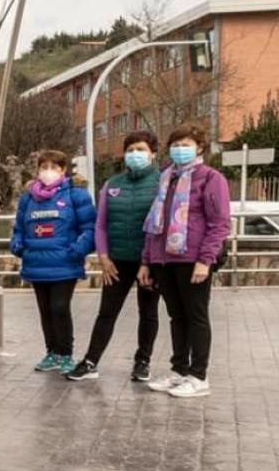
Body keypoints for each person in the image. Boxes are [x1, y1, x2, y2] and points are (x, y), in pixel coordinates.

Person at [140, 126, 231, 399]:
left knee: (196, 317)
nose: (180, 148)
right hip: (163, 259)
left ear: (200, 147)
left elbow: (219, 223)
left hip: (192, 258)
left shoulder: (211, 178)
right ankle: (179, 370)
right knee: (176, 316)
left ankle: (198, 375)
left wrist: (206, 260)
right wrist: (146, 260)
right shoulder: (166, 178)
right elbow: (153, 222)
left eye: (186, 144)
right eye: (176, 144)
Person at [66, 131, 162, 382]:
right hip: (116, 261)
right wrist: (104, 257)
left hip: (148, 263)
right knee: (107, 312)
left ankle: (143, 361)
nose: (135, 154)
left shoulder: (163, 183)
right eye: (130, 150)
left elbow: (159, 225)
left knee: (148, 312)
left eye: (141, 149)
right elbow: (100, 224)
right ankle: (90, 361)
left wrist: (147, 262)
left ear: (153, 153)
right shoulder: (112, 184)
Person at [10, 149, 96, 375]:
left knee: (59, 307)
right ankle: (52, 352)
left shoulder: (76, 196)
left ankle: (66, 353)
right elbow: (19, 228)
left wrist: (77, 250)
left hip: (65, 264)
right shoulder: (28, 198)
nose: (48, 172)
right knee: (45, 310)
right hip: (36, 263)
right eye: (44, 167)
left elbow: (89, 229)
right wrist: (18, 246)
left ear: (63, 170)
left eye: (54, 167)